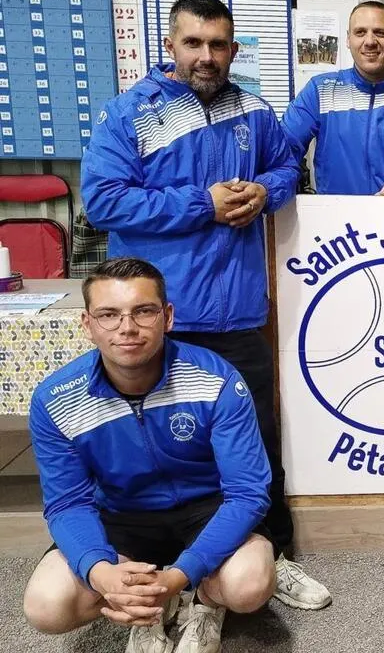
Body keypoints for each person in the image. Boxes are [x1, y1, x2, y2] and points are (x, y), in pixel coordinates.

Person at [80, 0, 330, 611]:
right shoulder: (132, 114)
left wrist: (266, 192)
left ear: (234, 49)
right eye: (193, 43)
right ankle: (162, 565)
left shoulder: (254, 109)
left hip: (240, 316)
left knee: (257, 446)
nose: (206, 57)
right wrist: (204, 203)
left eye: (218, 45)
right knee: (168, 449)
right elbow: (103, 201)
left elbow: (286, 166)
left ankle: (275, 555)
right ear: (171, 46)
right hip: (164, 321)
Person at [22, 259, 275, 653]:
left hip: (205, 510)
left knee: (249, 585)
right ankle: (148, 604)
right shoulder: (55, 399)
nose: (127, 327)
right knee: (47, 606)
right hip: (121, 518)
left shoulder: (217, 379)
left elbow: (247, 493)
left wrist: (182, 573)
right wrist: (101, 571)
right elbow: (67, 503)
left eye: (143, 311)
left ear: (167, 316)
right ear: (87, 325)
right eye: (109, 314)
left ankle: (204, 600)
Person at [282, 0, 384, 196]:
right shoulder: (320, 90)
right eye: (360, 32)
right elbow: (283, 149)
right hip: (331, 219)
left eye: (380, 32)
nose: (370, 41)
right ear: (348, 39)